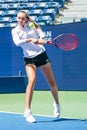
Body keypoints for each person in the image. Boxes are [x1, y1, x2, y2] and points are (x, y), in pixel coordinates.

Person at [11, 10, 60, 123]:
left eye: (22, 18)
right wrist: (30, 39)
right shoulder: (15, 30)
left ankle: (56, 104)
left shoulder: (32, 25)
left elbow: (39, 31)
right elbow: (17, 43)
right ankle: (27, 111)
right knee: (31, 81)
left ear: (26, 19)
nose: (20, 20)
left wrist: (41, 38)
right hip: (29, 59)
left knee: (52, 84)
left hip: (41, 56)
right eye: (18, 18)